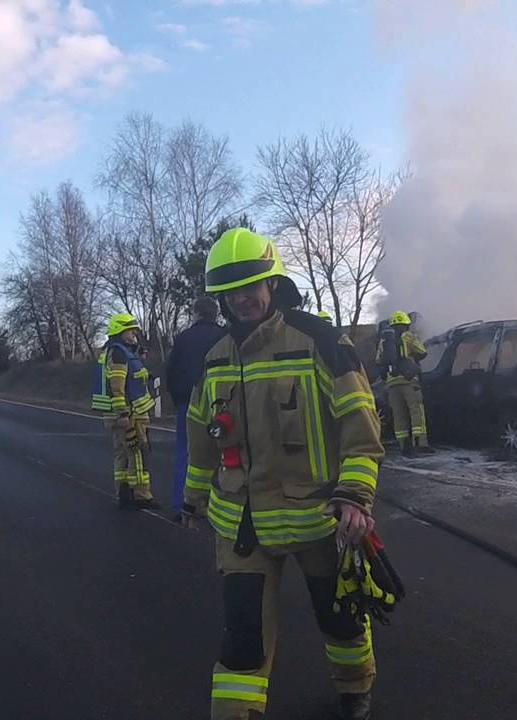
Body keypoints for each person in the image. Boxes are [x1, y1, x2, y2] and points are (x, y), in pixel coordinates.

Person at [182, 227, 384, 720]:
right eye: (232, 291)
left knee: (341, 619)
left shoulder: (319, 341)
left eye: (251, 285)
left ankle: (355, 688)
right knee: (243, 639)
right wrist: (193, 496)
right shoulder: (216, 358)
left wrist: (355, 495)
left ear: (272, 282)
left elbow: (360, 426)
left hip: (318, 521)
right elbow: (201, 435)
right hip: (242, 527)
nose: (242, 298)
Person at [164, 296, 226, 517]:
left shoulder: (183, 338)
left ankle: (182, 505)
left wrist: (178, 399)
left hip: (188, 404)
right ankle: (217, 507)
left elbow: (170, 371)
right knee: (225, 455)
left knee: (186, 453)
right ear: (216, 314)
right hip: (222, 404)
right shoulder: (225, 336)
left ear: (196, 313)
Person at [91, 313, 158, 509]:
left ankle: (123, 491)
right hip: (129, 413)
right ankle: (141, 495)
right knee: (137, 452)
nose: (134, 333)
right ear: (119, 331)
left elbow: (129, 377)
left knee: (122, 453)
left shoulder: (117, 351)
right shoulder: (119, 354)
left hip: (122, 412)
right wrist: (123, 413)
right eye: (130, 330)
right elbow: (117, 385)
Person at [376, 310, 432, 457]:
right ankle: (420, 444)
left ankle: (403, 446)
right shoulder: (408, 336)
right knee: (416, 411)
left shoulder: (384, 341)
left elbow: (378, 360)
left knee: (399, 414)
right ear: (406, 323)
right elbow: (422, 351)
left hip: (392, 383)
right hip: (408, 380)